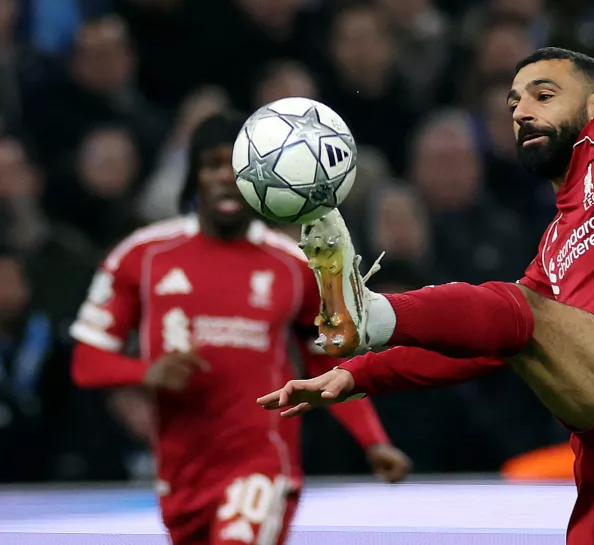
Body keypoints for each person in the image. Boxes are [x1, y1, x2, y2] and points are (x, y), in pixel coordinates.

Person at [261, 0, 594, 542]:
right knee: (518, 316)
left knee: (522, 308)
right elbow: (482, 346)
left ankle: (370, 314)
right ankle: (368, 329)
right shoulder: (554, 249)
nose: (520, 111)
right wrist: (357, 374)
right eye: (513, 102)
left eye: (543, 94)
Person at [69, 113, 411, 545]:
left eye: (240, 169)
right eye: (213, 165)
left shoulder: (295, 265)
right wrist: (146, 374)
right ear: (194, 173)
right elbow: (86, 362)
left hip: (262, 465)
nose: (226, 180)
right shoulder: (143, 256)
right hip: (182, 476)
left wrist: (373, 440)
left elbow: (324, 359)